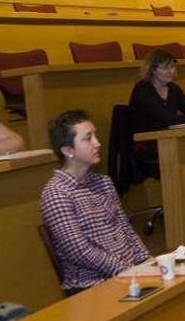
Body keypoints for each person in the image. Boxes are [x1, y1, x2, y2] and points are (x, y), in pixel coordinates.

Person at [40, 110, 150, 295]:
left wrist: (146, 260)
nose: (97, 143)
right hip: (91, 284)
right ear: (68, 151)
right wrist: (126, 270)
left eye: (95, 136)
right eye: (88, 138)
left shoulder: (103, 182)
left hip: (128, 272)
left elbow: (125, 227)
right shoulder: (57, 193)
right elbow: (79, 251)